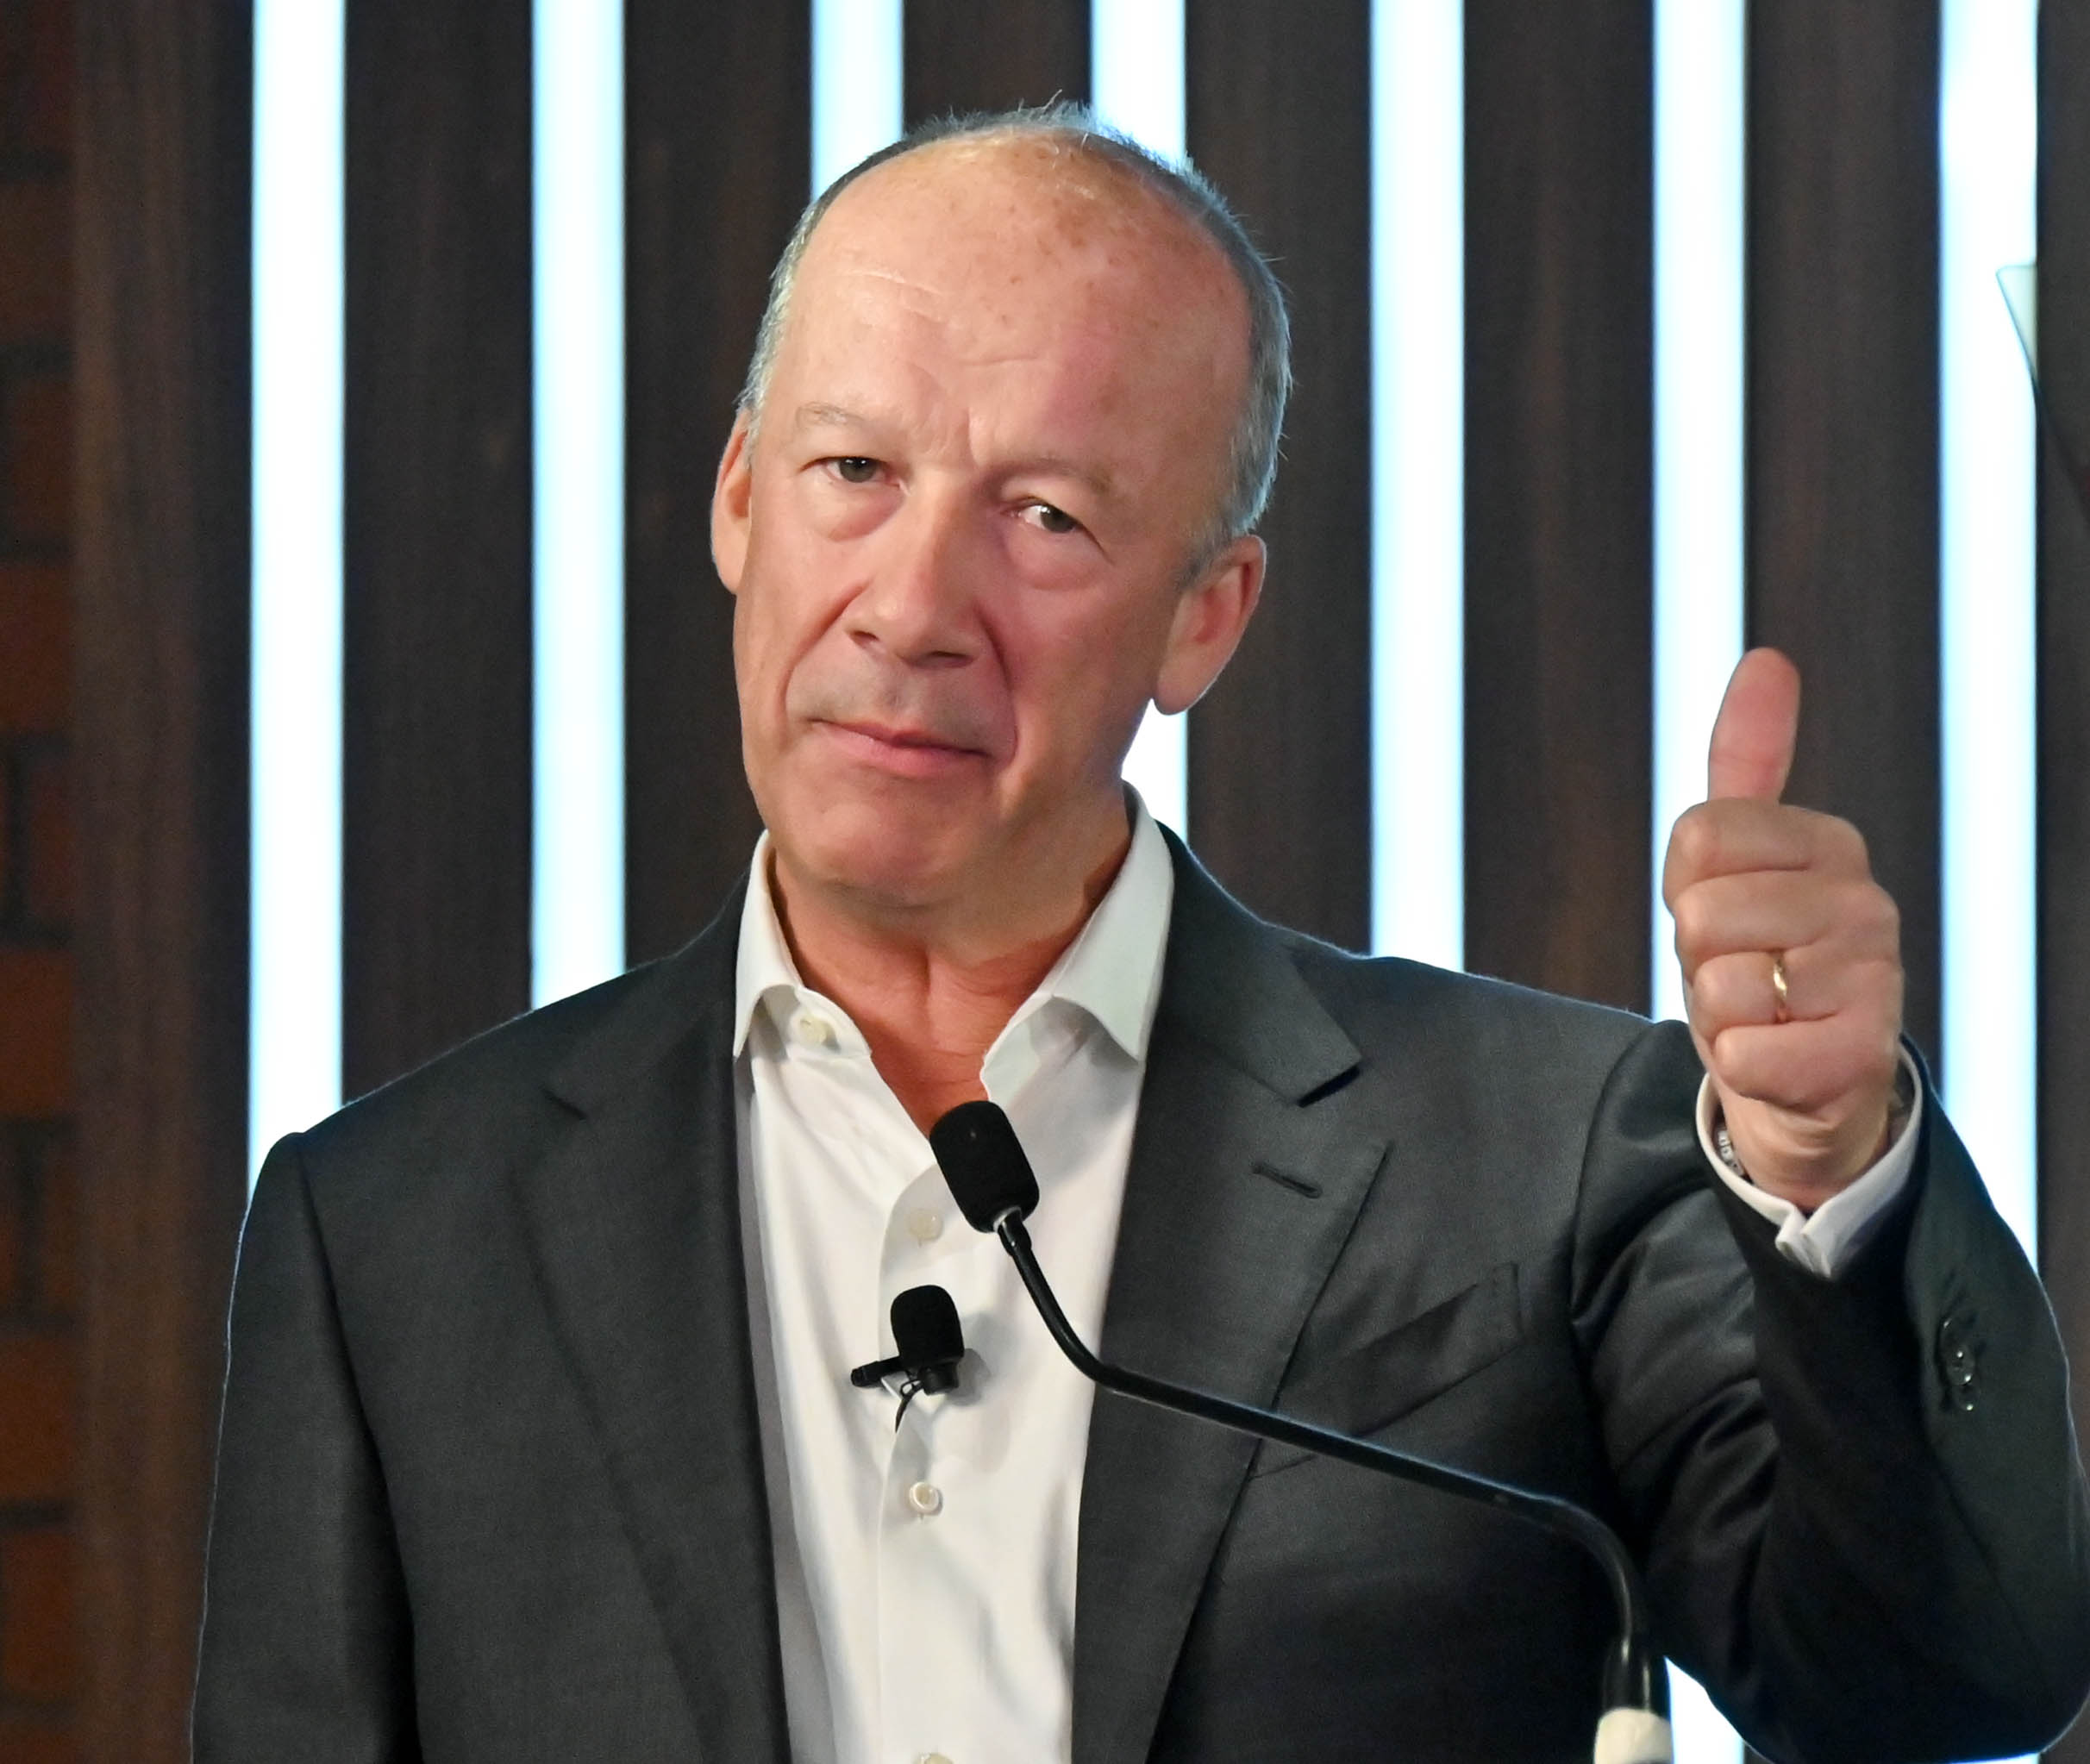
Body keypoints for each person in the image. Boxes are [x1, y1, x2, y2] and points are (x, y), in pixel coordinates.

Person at [193, 108, 2090, 1763]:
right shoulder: (394, 1242)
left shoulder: (1545, 1162)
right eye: (854, 474)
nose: (913, 606)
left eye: (1045, 515)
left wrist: (1836, 1177)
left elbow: (1934, 1688)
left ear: (1207, 615)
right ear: (740, 502)